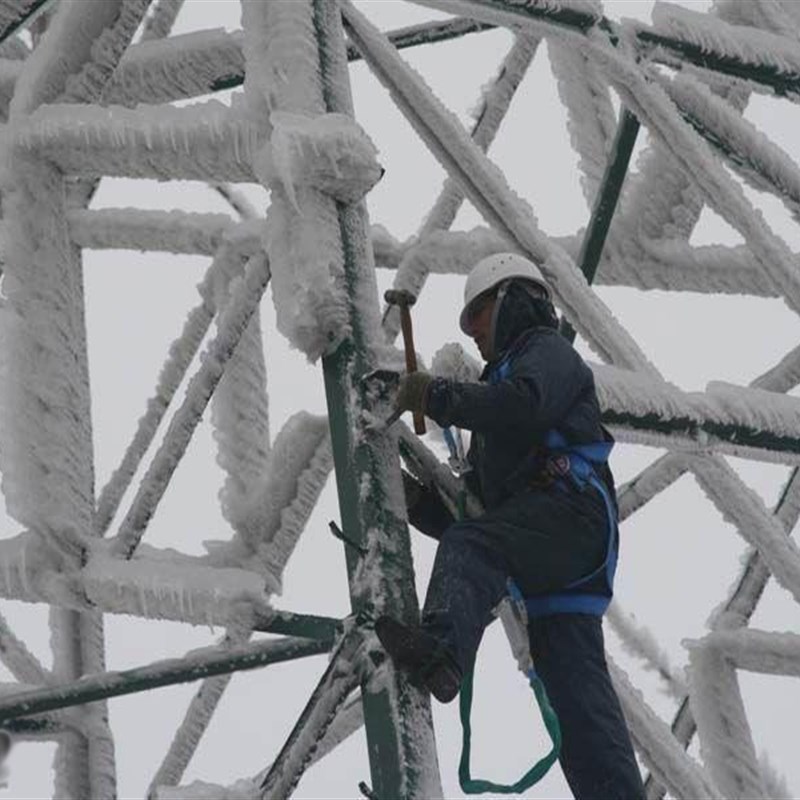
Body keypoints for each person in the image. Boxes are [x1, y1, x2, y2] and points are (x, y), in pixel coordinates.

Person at [375, 253, 645, 799]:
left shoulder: (545, 353)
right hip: (556, 570)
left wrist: (436, 396)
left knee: (475, 545)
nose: (472, 332)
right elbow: (477, 520)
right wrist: (416, 501)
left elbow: (524, 407)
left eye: (476, 314)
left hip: (571, 516)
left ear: (512, 300)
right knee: (580, 711)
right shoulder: (498, 410)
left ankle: (442, 650)